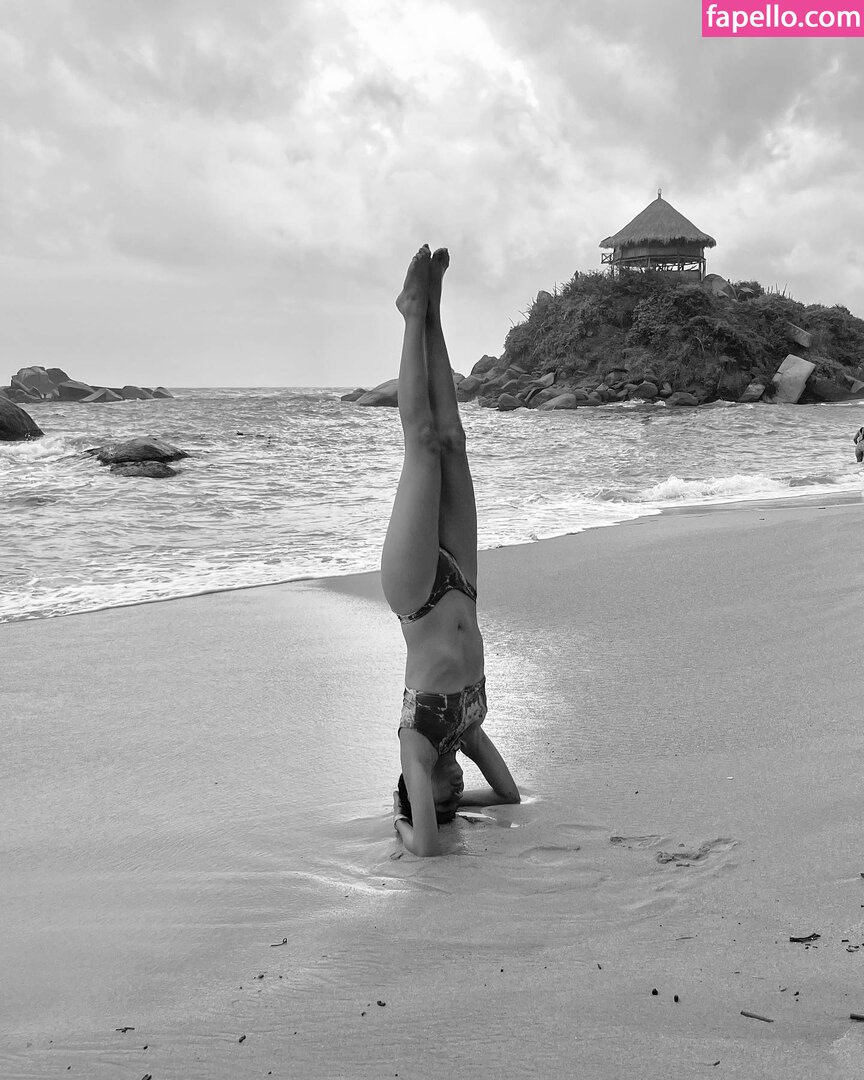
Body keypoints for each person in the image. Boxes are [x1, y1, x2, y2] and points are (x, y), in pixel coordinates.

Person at [381, 244, 520, 857]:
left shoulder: (416, 746)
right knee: (454, 440)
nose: (458, 787)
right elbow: (510, 795)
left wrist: (409, 822)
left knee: (423, 444)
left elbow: (428, 849)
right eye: (457, 794)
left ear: (420, 794)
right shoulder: (465, 733)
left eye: (445, 795)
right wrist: (470, 805)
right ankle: (434, 308)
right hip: (462, 584)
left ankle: (412, 312)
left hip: (416, 595)